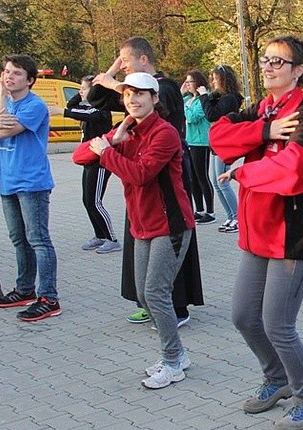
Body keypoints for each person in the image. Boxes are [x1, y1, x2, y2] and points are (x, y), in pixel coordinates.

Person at [209, 35, 303, 430]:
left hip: (291, 238)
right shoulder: (263, 111)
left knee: (278, 324)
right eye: (266, 59)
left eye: (280, 61)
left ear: (298, 70)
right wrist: (263, 131)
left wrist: (243, 172)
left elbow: (293, 172)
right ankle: (275, 378)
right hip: (256, 236)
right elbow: (218, 137)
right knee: (244, 317)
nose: (269, 66)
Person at [74, 73, 195, 389]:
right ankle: (177, 354)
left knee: (156, 292)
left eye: (141, 94)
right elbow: (78, 156)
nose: (133, 100)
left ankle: (172, 362)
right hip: (141, 224)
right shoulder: (125, 130)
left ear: (155, 99)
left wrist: (108, 152)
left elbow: (141, 174)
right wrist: (111, 142)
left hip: (171, 225)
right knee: (143, 294)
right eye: (128, 94)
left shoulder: (164, 133)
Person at [88, 36, 204, 327]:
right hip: (139, 190)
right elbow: (93, 99)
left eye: (126, 61)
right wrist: (114, 71)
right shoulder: (130, 100)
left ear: (143, 61)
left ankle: (174, 308)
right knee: (144, 265)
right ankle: (152, 303)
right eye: (129, 94)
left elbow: (152, 105)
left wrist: (121, 86)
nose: (131, 98)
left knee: (167, 254)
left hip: (166, 180)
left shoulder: (164, 87)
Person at [0, 54, 61, 321]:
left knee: (39, 240)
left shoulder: (35, 106)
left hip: (32, 183)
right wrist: (0, 102)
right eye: (7, 72)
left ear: (30, 80)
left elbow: (5, 132)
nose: (9, 77)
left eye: (17, 73)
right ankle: (24, 289)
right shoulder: (3, 103)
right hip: (8, 182)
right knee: (19, 240)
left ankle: (49, 297)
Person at [49, 74, 120, 254]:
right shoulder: (88, 106)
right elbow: (72, 106)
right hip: (89, 160)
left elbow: (77, 112)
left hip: (101, 162)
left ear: (96, 92)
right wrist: (81, 93)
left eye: (84, 88)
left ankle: (112, 239)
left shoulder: (100, 112)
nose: (80, 91)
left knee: (95, 202)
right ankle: (99, 235)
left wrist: (60, 111)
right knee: (86, 200)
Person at [198, 65, 243, 232]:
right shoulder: (221, 97)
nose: (213, 82)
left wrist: (204, 97)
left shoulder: (230, 98)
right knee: (216, 183)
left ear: (224, 80)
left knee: (223, 182)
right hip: (215, 142)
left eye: (216, 79)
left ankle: (238, 218)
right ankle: (230, 216)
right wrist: (205, 96)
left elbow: (212, 115)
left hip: (225, 143)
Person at [181, 70, 216, 225]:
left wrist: (185, 107)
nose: (187, 84)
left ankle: (210, 211)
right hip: (191, 141)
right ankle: (199, 209)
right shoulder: (190, 99)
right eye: (186, 82)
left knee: (202, 176)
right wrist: (181, 96)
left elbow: (192, 117)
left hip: (201, 142)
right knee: (193, 178)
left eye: (190, 82)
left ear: (198, 83)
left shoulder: (203, 99)